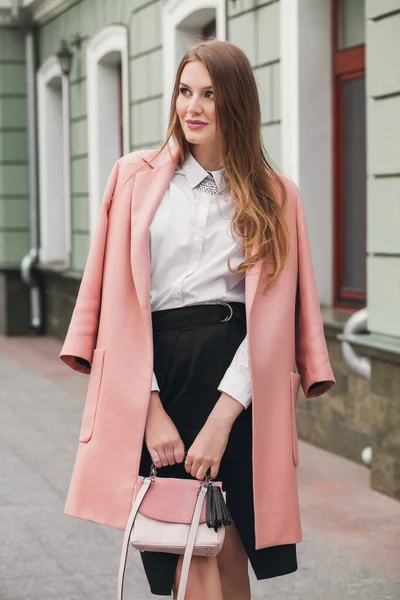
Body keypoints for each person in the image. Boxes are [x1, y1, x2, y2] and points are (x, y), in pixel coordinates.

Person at [60, 40, 335, 599]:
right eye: (185, 91)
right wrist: (149, 410)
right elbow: (119, 306)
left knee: (226, 548)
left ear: (236, 103)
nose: (193, 107)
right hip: (158, 374)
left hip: (236, 379)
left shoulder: (273, 196)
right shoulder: (134, 179)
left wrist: (222, 419)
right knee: (181, 544)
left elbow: (273, 323)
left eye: (209, 94)